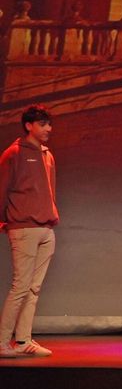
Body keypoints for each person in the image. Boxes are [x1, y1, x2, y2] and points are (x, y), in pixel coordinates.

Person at [0, 105, 57, 358]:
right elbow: (2, 190)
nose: (48, 129)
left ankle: (23, 340)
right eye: (43, 124)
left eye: (49, 124)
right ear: (28, 125)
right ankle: (2, 342)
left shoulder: (47, 155)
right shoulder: (14, 153)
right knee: (20, 287)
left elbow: (50, 191)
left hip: (46, 228)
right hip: (23, 227)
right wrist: (4, 221)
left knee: (34, 289)